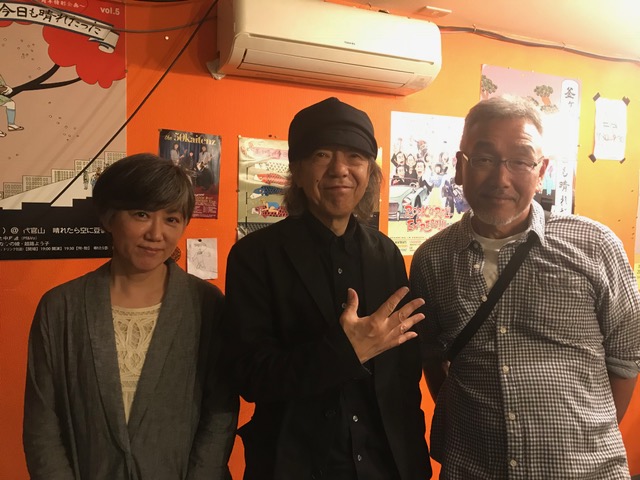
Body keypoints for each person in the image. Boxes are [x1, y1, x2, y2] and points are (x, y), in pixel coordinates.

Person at [410, 95, 640, 479]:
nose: (501, 179)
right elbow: (432, 357)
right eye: (484, 159)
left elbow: (626, 359)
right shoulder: (432, 260)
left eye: (520, 160)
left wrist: (581, 442)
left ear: (541, 170)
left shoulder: (596, 245)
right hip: (475, 470)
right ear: (460, 167)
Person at [223, 97, 431, 480]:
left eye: (355, 156)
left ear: (369, 171)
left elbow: (403, 376)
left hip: (383, 465)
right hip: (293, 464)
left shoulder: (385, 254)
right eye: (321, 155)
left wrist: (414, 464)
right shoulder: (255, 256)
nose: (340, 169)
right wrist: (345, 352)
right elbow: (250, 376)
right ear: (297, 170)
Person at [23, 153, 238, 480]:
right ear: (108, 218)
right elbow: (42, 426)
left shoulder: (206, 304)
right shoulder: (61, 307)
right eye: (141, 214)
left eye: (171, 219)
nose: (156, 233)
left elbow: (219, 413)